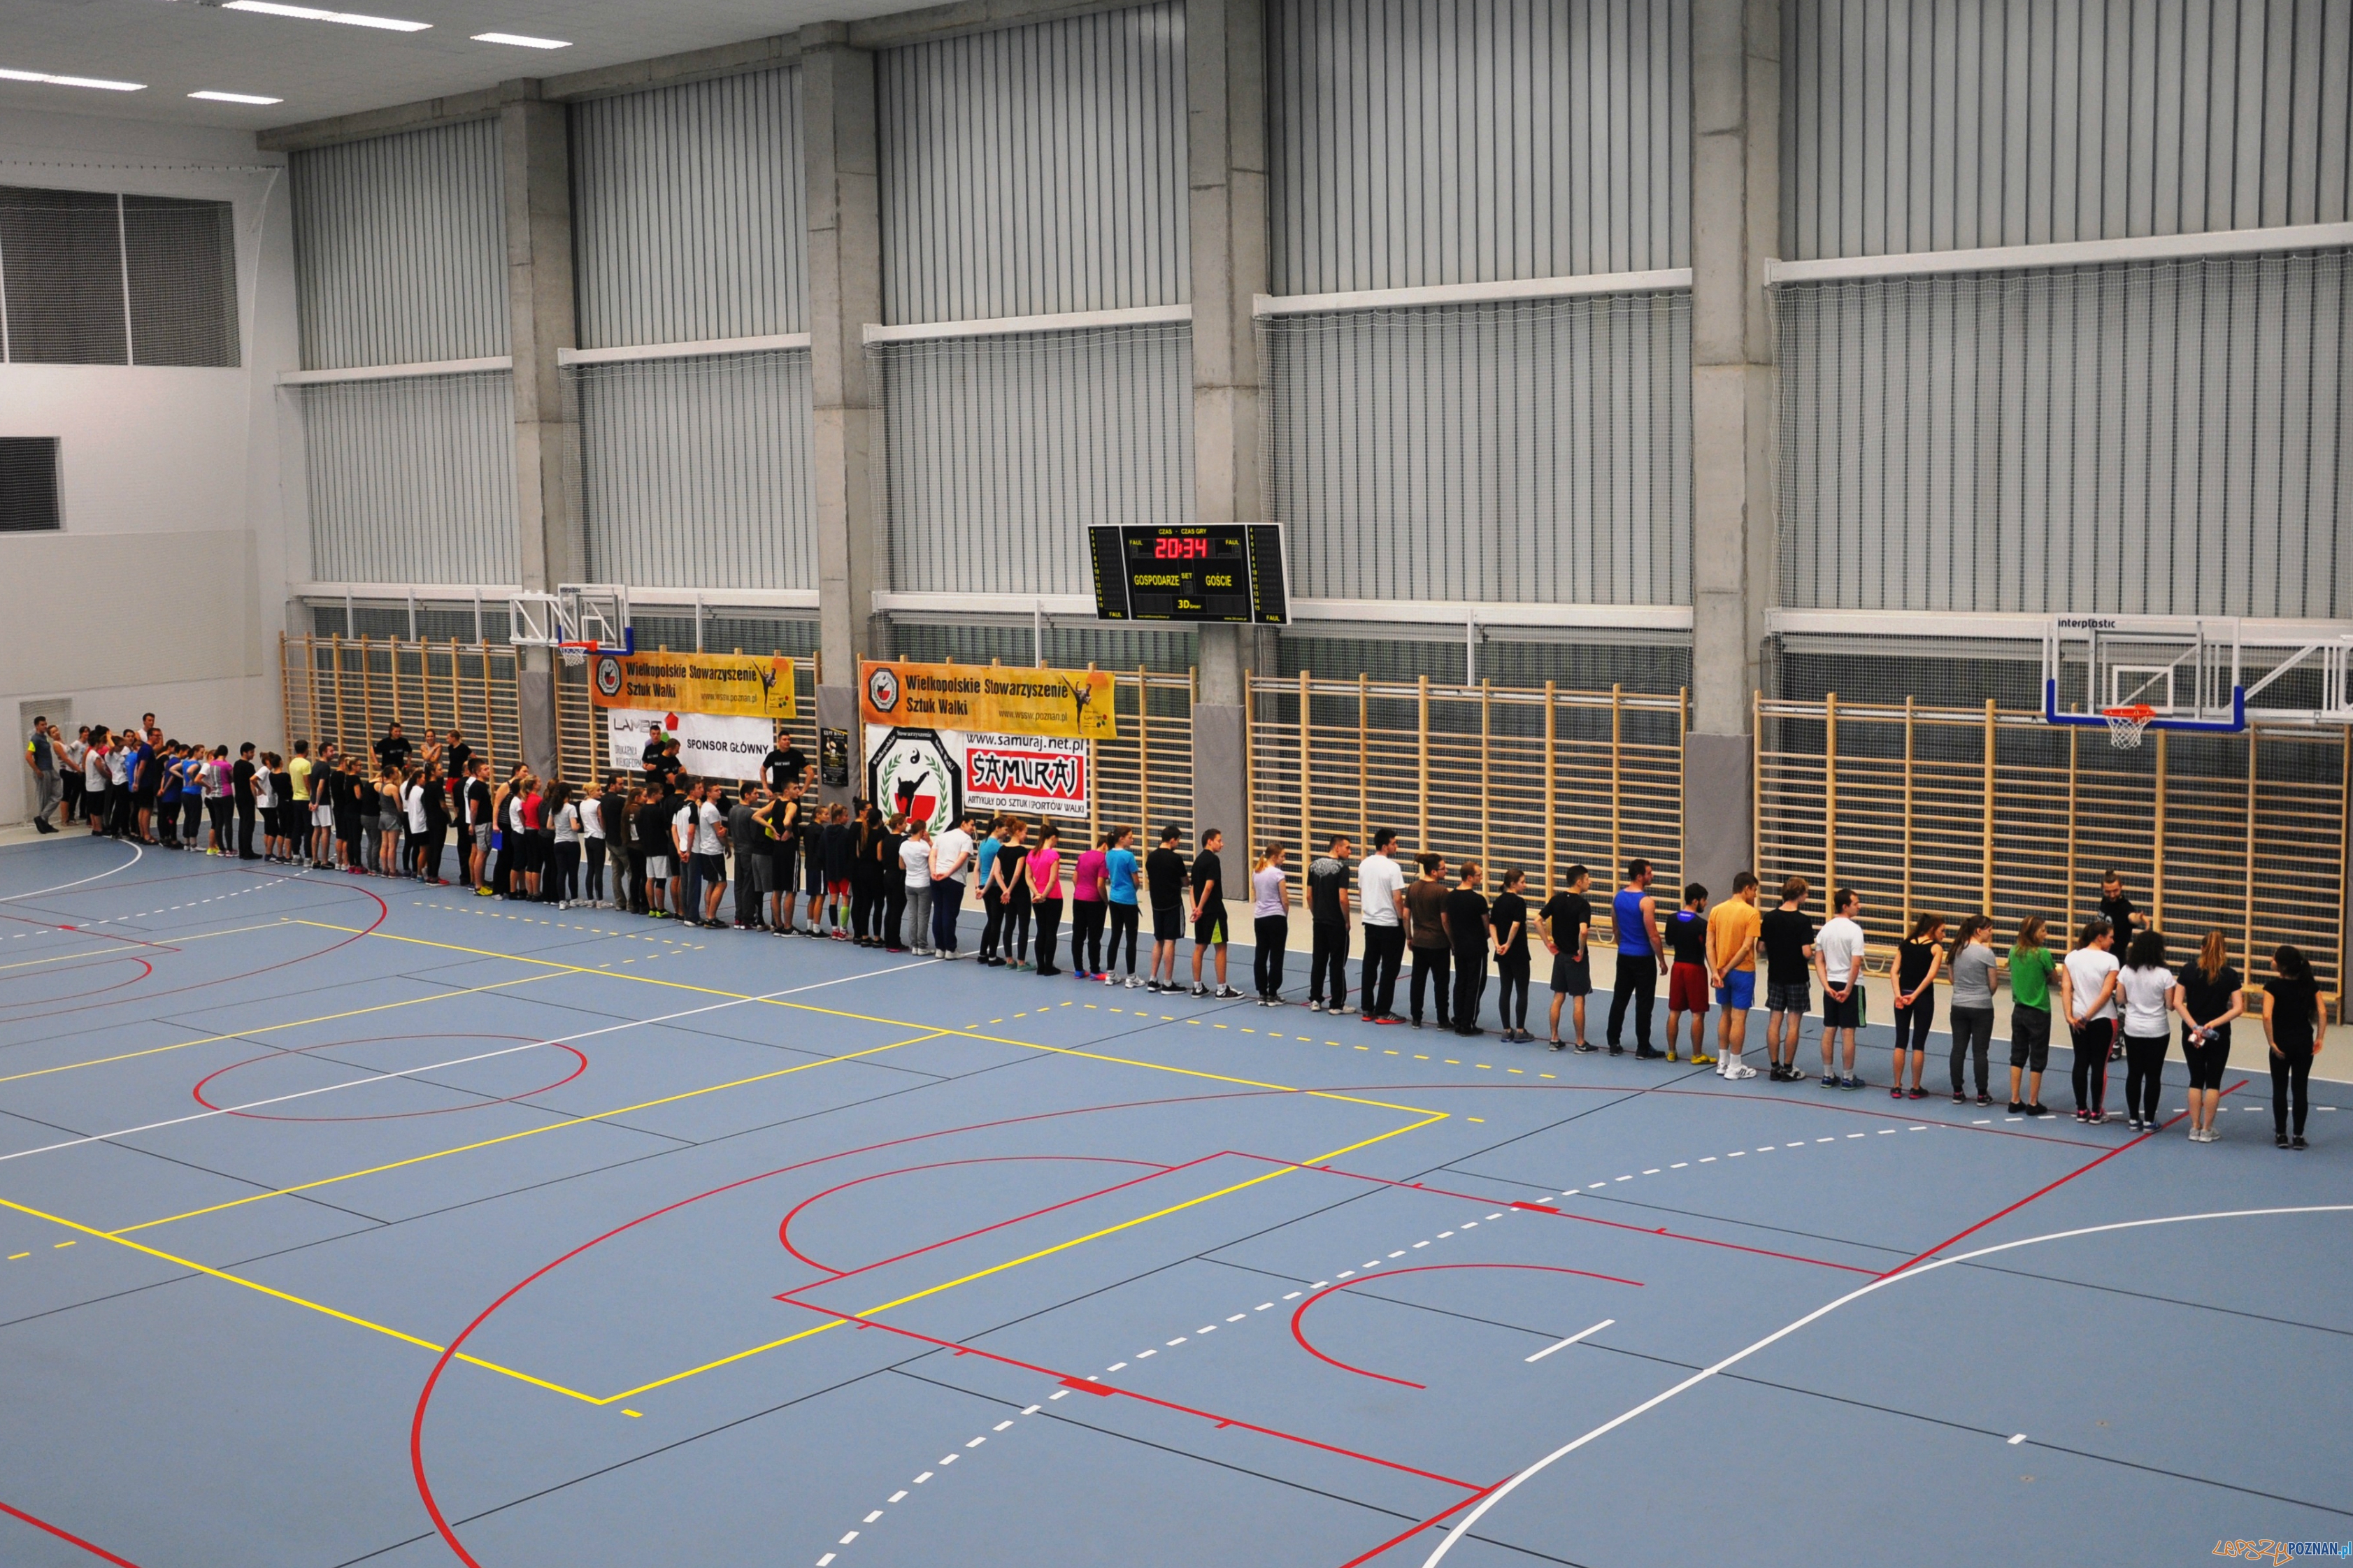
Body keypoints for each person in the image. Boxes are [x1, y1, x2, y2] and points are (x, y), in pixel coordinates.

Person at [2177, 931, 2244, 1143]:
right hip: (2218, 1034)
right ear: (2224, 951)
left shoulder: (2188, 970)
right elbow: (2238, 1008)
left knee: (2196, 1079)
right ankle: (2207, 1130)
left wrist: (2194, 1026)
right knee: (2213, 1081)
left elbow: (2177, 1002)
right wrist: (2213, 1024)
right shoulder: (2230, 975)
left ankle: (2194, 1127)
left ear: (2202, 948)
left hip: (2192, 1033)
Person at [2261, 944, 2324, 1151]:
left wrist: (2272, 1042)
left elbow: (2267, 1016)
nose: (2271, 960)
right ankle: (2298, 1136)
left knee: (2279, 1089)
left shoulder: (2272, 987)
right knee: (2300, 1089)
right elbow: (2323, 1013)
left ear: (2282, 966)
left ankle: (2281, 1134)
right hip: (2304, 1042)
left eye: (2274, 958)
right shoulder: (2309, 985)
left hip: (2282, 1043)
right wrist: (2320, 1037)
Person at [2114, 929, 2177, 1132]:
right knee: (2153, 1075)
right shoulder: (2164, 974)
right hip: (2157, 1029)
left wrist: (2135, 1001)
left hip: (2133, 1028)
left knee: (2134, 1073)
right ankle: (2149, 1121)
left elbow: (2120, 998)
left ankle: (2134, 1119)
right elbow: (2170, 1005)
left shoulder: (2126, 971)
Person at [2059, 918, 2121, 1124]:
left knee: (2080, 1061)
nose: (2113, 941)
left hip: (2077, 1018)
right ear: (2100, 937)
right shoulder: (2110, 960)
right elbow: (2106, 993)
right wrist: (2088, 1016)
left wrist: (2070, 1016)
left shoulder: (2071, 957)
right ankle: (2096, 1111)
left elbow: (2066, 988)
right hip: (2102, 1018)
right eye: (2111, 937)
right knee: (2099, 1065)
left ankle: (2081, 1110)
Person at [1605, 859, 1668, 1058]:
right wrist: (1662, 960)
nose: (1652, 875)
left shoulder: (1618, 898)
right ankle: (1643, 1047)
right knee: (1644, 1004)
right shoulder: (1646, 902)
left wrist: (1623, 946)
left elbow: (1616, 928)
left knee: (1620, 999)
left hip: (1624, 955)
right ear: (1640, 877)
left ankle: (1613, 1042)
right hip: (1643, 959)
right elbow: (1653, 935)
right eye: (1649, 873)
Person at [1707, 872, 1762, 1079]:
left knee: (1725, 1014)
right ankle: (1735, 1065)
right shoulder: (1751, 914)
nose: (1755, 895)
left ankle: (1722, 1062)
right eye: (1754, 890)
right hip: (1742, 972)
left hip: (1721, 972)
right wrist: (1728, 968)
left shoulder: (1716, 910)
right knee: (1738, 1019)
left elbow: (1709, 944)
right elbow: (1747, 947)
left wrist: (1716, 971)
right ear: (1746, 888)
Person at [2004, 916, 2057, 1116]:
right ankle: (2033, 1102)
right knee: (2038, 1056)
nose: (2046, 934)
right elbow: (2054, 978)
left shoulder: (2013, 952)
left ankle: (2014, 1099)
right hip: (2039, 1011)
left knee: (2017, 1054)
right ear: (2033, 933)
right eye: (2043, 930)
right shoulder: (2043, 954)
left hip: (2019, 1011)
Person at [1815, 887, 1866, 1088]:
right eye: (1856, 903)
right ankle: (1848, 1077)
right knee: (1848, 1032)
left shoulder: (1825, 929)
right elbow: (1856, 963)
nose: (1859, 906)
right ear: (1845, 906)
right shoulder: (1855, 930)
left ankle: (1828, 1075)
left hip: (1831, 984)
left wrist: (1826, 986)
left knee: (1829, 1029)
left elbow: (1819, 961)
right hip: (1850, 986)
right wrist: (1848, 989)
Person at [1891, 913, 1945, 1100]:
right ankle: (1915, 1088)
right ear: (1932, 929)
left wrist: (1898, 995)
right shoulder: (1936, 948)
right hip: (1922, 998)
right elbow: (1930, 976)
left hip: (1902, 996)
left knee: (1900, 1041)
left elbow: (1894, 971)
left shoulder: (1905, 944)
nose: (1944, 935)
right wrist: (1915, 995)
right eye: (1942, 931)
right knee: (1918, 1043)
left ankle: (1897, 1086)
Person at [1357, 828, 1408, 1023]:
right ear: (1385, 846)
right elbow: (1397, 898)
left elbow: (1361, 892)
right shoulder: (1392, 867)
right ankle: (1383, 1010)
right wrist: (1401, 920)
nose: (1397, 846)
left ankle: (1367, 1008)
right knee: (1389, 968)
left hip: (1370, 922)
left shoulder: (1364, 864)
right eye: (1394, 843)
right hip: (1389, 924)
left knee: (1369, 965)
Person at [1540, 863, 1594, 1051]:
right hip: (1574, 958)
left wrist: (1547, 942)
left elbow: (1537, 920)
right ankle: (1580, 1042)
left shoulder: (1556, 900)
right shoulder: (1582, 905)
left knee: (1558, 996)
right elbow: (1583, 931)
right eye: (1587, 879)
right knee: (1579, 999)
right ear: (1579, 882)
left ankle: (1554, 1039)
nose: (1590, 882)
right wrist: (1581, 951)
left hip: (1560, 956)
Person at [1945, 915, 1998, 1105]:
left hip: (1958, 1005)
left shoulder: (1955, 950)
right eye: (1989, 930)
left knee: (1958, 1049)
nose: (1991, 933)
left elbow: (1952, 979)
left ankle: (1957, 1092)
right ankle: (1982, 1094)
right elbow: (1993, 984)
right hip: (1982, 1007)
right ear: (1978, 931)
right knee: (1980, 1052)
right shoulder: (1986, 954)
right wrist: (1983, 995)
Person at [2096, 872, 2148, 1061]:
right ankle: (2107, 1041)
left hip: (2117, 962)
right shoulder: (2105, 901)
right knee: (2104, 1003)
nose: (2112, 895)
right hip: (2101, 959)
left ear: (2122, 887)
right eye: (2108, 891)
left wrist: (2139, 918)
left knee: (2118, 1004)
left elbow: (2131, 917)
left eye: (2115, 891)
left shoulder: (2125, 906)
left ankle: (2117, 1045)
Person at [1661, 883, 1710, 1063]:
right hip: (1695, 969)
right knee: (1697, 1013)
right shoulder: (1701, 924)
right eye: (1704, 900)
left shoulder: (1672, 919)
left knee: (1674, 1011)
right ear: (1696, 901)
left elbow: (1669, 941)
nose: (1706, 904)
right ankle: (1697, 1055)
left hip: (1678, 967)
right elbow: (1707, 950)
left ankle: (1671, 1052)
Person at [1189, 828, 1240, 998]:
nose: (1222, 844)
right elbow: (1209, 886)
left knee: (1200, 947)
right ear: (1210, 842)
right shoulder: (1213, 860)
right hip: (1213, 911)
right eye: (1219, 840)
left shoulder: (1197, 861)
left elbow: (1192, 889)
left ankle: (1197, 987)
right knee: (1221, 947)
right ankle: (1222, 989)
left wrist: (1195, 909)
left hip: (1201, 913)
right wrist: (1201, 908)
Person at [1442, 861, 1491, 1035]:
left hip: (1459, 947)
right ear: (1469, 877)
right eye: (1479, 875)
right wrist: (1485, 935)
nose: (1481, 877)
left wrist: (1452, 942)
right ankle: (1467, 1024)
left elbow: (1446, 921)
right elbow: (1486, 924)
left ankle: (1458, 1019)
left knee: (1460, 982)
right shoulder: (1478, 900)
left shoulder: (1450, 897)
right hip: (1477, 948)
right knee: (1474, 985)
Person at [1306, 835, 1352, 1014]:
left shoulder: (1313, 866)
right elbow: (1343, 899)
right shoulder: (1342, 869)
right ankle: (1336, 1004)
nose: (1350, 852)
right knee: (1337, 963)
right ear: (1337, 847)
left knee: (1318, 961)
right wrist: (1347, 920)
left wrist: (1316, 914)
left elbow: (1309, 895)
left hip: (1319, 921)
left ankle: (1315, 999)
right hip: (1336, 922)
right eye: (1347, 848)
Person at [1406, 852, 1452, 1030]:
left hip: (1419, 942)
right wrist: (1452, 941)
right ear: (1433, 872)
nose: (1446, 871)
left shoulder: (1412, 888)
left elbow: (1406, 916)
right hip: (1438, 944)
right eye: (1443, 869)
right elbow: (1445, 921)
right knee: (1441, 983)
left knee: (1418, 981)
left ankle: (1416, 1018)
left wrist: (1409, 936)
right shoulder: (1441, 892)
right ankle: (1442, 1020)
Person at [1489, 867, 1533, 1042]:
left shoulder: (1498, 901)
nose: (1525, 885)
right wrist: (1508, 944)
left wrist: (1497, 944)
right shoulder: (1519, 902)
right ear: (1513, 884)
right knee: (1522, 990)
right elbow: (1516, 924)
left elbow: (1492, 924)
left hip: (1502, 953)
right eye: (1523, 882)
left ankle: (1507, 1030)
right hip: (1518, 952)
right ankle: (1520, 1031)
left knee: (1505, 989)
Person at [1144, 825, 1185, 992]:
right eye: (1178, 840)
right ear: (1172, 840)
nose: (1178, 843)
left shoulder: (1151, 857)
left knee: (1159, 940)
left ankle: (1153, 979)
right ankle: (1168, 982)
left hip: (1156, 904)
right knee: (1170, 941)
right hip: (1173, 903)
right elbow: (1185, 881)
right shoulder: (1176, 859)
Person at [1251, 842, 1289, 1005]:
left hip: (1260, 918)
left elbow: (1257, 894)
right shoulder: (1277, 874)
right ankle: (1273, 993)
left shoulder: (1256, 871)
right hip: (1276, 917)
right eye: (1282, 856)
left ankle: (1262, 993)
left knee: (1261, 955)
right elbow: (1284, 899)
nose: (1284, 859)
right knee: (1276, 957)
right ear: (1274, 857)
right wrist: (1285, 915)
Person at [1105, 825, 1142, 987]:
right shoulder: (1128, 856)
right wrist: (1131, 891)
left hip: (1114, 899)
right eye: (1130, 837)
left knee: (1115, 935)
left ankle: (1110, 974)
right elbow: (1136, 881)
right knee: (1131, 939)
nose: (1132, 840)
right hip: (1128, 901)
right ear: (1121, 839)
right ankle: (1131, 977)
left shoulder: (1108, 854)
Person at [1067, 826, 1106, 977]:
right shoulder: (1103, 859)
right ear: (1105, 846)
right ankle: (1095, 971)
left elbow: (1074, 878)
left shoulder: (1083, 856)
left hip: (1078, 899)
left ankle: (1078, 970)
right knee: (1094, 937)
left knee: (1078, 935)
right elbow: (1100, 884)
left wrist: (1081, 890)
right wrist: (1105, 901)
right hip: (1094, 901)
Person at [1027, 823, 1064, 976]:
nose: (1057, 842)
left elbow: (1028, 877)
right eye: (1057, 839)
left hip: (1037, 897)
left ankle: (1040, 966)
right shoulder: (1053, 855)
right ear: (1053, 837)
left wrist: (1037, 893)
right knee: (1051, 932)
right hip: (1053, 896)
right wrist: (1044, 895)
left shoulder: (1032, 854)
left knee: (1041, 930)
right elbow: (1052, 880)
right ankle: (1049, 966)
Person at [693, 783, 730, 928]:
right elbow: (719, 832)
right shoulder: (711, 810)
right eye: (716, 790)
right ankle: (711, 917)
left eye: (720, 790)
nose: (720, 792)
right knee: (722, 883)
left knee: (712, 882)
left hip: (706, 849)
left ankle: (709, 914)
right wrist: (727, 846)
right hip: (713, 851)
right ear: (708, 794)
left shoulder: (705, 807)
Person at [636, 781, 674, 919]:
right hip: (660, 848)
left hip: (647, 849)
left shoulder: (641, 811)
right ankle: (661, 909)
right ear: (654, 795)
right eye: (660, 794)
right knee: (661, 879)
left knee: (650, 878)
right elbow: (667, 827)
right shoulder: (658, 811)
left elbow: (639, 829)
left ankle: (652, 908)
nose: (662, 796)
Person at [728, 786, 764, 928]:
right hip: (748, 852)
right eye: (755, 793)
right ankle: (747, 918)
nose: (758, 796)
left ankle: (738, 917)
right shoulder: (750, 814)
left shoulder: (732, 810)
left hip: (738, 850)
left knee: (739, 884)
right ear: (747, 795)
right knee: (749, 885)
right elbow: (754, 835)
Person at [976, 816, 1010, 964]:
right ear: (998, 828)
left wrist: (978, 887)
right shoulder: (997, 847)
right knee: (996, 921)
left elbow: (977, 868)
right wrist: (987, 889)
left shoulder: (983, 843)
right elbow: (994, 872)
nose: (1007, 832)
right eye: (1005, 829)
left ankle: (983, 953)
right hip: (993, 887)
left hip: (983, 884)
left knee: (991, 920)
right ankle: (992, 957)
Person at [899, 816, 934, 955]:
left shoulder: (904, 845)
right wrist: (929, 841)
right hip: (923, 883)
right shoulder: (923, 846)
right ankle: (922, 946)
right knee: (923, 916)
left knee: (913, 915)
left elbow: (902, 866)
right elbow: (934, 857)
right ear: (922, 831)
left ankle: (914, 945)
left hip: (909, 883)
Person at [550, 782, 583, 909]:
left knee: (561, 872)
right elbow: (574, 827)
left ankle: (562, 901)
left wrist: (560, 828)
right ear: (569, 793)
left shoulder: (554, 808)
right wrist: (579, 825)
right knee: (573, 872)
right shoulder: (570, 808)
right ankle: (574, 898)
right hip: (571, 843)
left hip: (558, 842)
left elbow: (549, 826)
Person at [24, 715, 60, 833]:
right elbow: (28, 756)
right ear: (36, 726)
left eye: (46, 724)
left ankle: (42, 818)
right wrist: (37, 770)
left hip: (50, 769)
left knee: (58, 794)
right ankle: (44, 823)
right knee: (44, 798)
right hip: (43, 771)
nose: (45, 726)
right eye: (42, 725)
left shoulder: (44, 738)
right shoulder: (35, 739)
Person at [880, 814, 909, 951]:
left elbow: (881, 857)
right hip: (898, 876)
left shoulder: (886, 838)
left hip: (887, 875)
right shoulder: (902, 841)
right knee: (897, 910)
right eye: (905, 823)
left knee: (890, 908)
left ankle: (889, 940)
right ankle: (894, 942)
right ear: (898, 825)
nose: (907, 825)